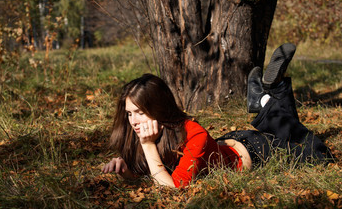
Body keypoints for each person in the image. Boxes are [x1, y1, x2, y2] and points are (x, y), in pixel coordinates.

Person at [102, 43, 333, 188]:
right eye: (130, 113)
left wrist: (147, 145)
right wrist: (128, 171)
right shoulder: (142, 129)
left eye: (140, 113)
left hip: (258, 151)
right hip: (230, 141)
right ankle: (269, 96)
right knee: (291, 131)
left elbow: (171, 189)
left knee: (320, 154)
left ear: (158, 109)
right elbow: (155, 172)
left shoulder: (194, 133)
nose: (133, 121)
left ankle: (266, 100)